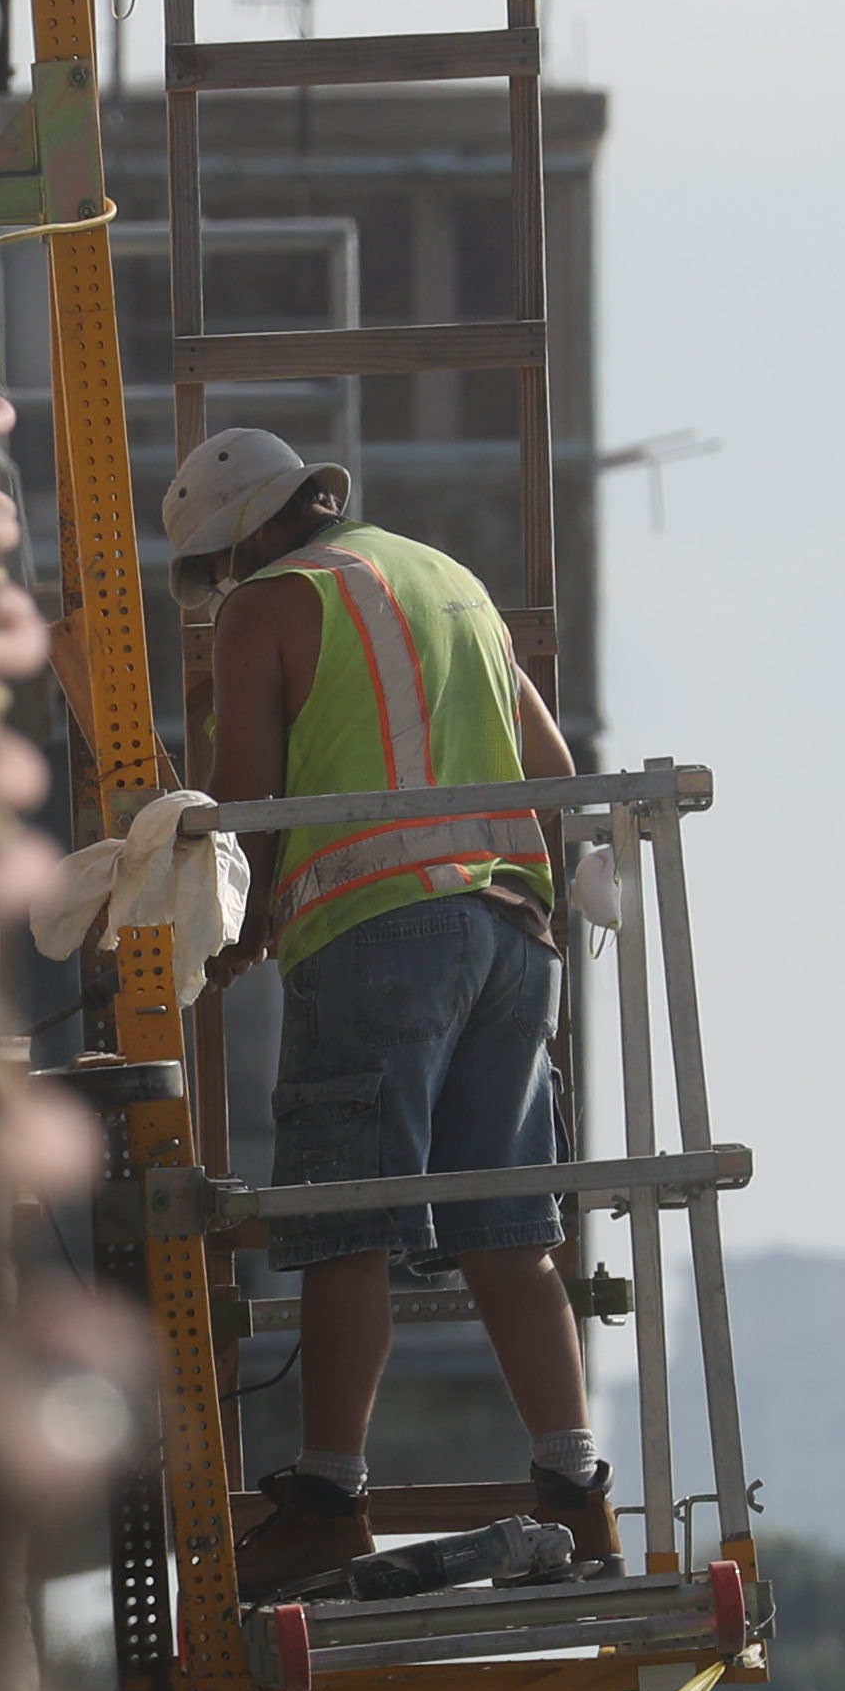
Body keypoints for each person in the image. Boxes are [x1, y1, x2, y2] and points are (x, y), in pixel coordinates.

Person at [153, 426, 620, 1598]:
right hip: (516, 930)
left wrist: (237, 929)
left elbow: (248, 800)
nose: (222, 594)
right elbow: (552, 762)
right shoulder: (449, 578)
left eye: (218, 569)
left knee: (342, 1219)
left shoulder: (275, 601)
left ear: (252, 533)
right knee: (509, 1227)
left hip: (378, 933)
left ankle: (326, 1501)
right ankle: (577, 1494)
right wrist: (528, 914)